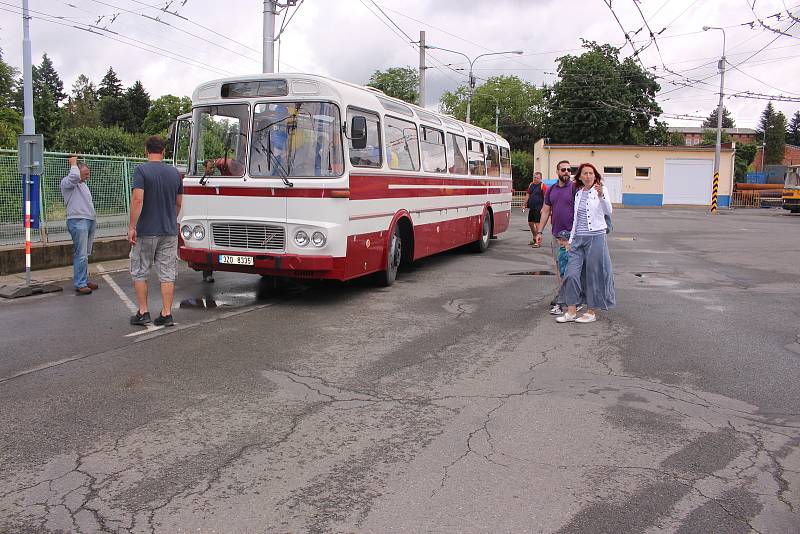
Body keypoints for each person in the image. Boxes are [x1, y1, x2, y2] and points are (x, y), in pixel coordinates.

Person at [128, 136, 183, 327]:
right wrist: (170, 218)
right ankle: (166, 313)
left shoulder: (141, 171)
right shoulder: (175, 173)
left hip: (146, 230)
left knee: (140, 270)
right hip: (169, 231)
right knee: (167, 272)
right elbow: (178, 203)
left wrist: (132, 226)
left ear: (146, 150)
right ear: (163, 151)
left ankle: (143, 312)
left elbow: (137, 200)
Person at [556, 163, 615, 324]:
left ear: (595, 176)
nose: (588, 176)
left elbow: (608, 211)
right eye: (585, 173)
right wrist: (571, 240)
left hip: (596, 237)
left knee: (592, 274)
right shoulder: (579, 194)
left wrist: (602, 196)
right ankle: (571, 310)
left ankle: (591, 311)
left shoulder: (601, 191)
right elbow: (576, 219)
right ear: (580, 177)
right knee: (571, 273)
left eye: (591, 173)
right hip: (578, 238)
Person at [534, 160, 576, 315]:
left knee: (571, 269)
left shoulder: (574, 188)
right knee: (560, 269)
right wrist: (539, 233)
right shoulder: (551, 190)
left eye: (569, 170)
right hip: (556, 235)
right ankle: (567, 297)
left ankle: (564, 299)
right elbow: (545, 211)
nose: (566, 172)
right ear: (557, 171)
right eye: (563, 169)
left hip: (573, 236)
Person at [60, 155, 98, 295]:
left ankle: (83, 279)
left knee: (85, 254)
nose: (88, 176)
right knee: (80, 254)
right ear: (77, 170)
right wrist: (73, 163)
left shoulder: (83, 185)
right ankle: (80, 283)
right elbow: (74, 177)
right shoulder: (67, 183)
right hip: (78, 221)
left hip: (88, 220)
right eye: (85, 173)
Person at [522, 171, 547, 247]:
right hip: (532, 207)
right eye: (535, 177)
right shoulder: (531, 185)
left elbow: (546, 198)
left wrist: (544, 208)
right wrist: (524, 204)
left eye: (537, 178)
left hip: (539, 208)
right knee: (530, 223)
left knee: (537, 224)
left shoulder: (543, 186)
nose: (536, 179)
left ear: (540, 178)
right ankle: (534, 237)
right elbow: (528, 195)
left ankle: (538, 241)